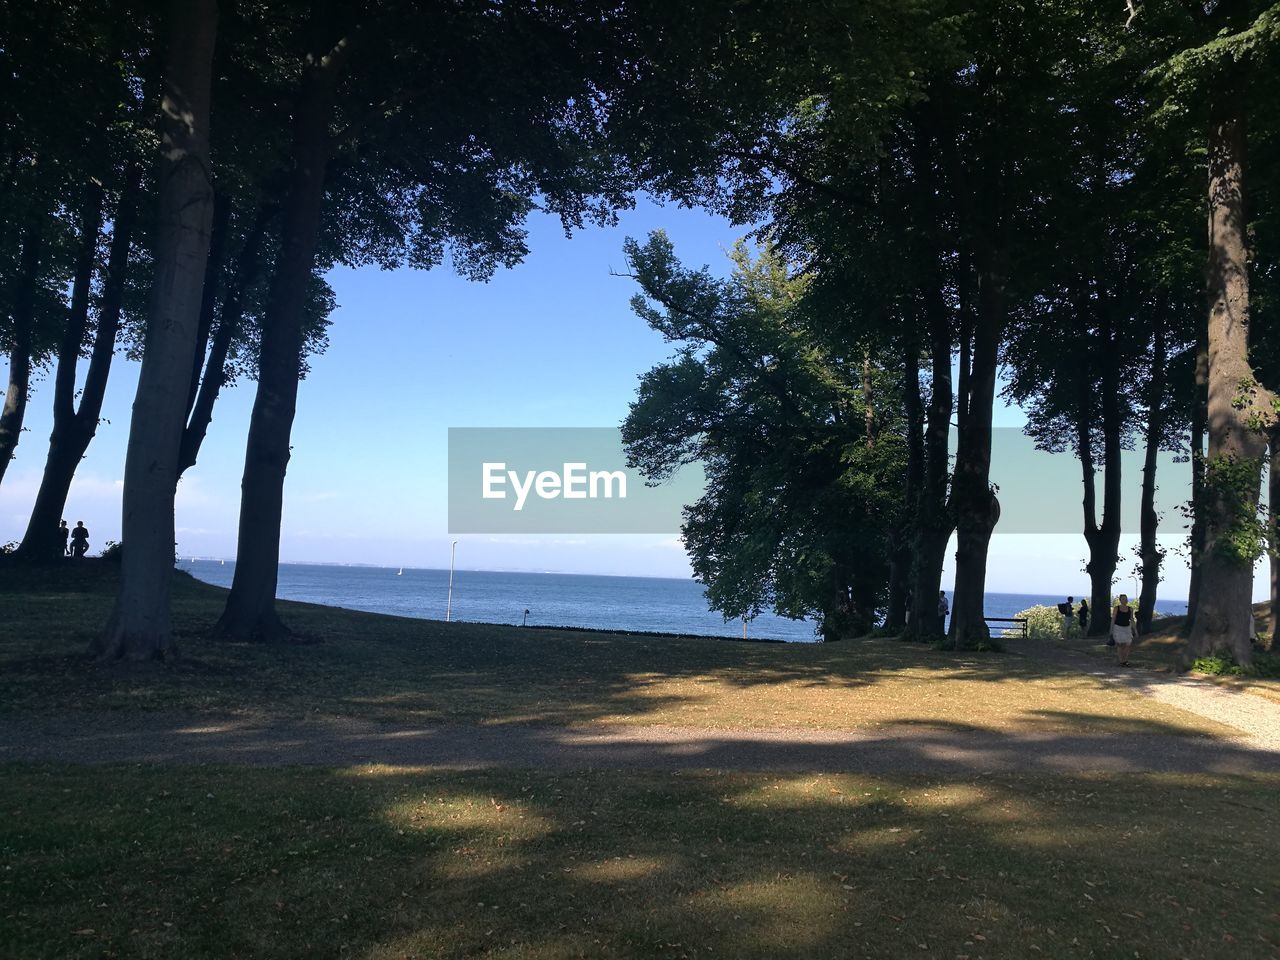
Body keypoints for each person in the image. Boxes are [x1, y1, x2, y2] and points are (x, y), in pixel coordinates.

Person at [1111, 593, 1137, 666]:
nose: (1125, 600)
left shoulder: (1130, 609)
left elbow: (1132, 620)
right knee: (1120, 645)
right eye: (1123, 599)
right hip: (1118, 627)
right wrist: (1111, 630)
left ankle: (1125, 660)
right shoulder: (1117, 608)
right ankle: (1121, 661)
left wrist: (1135, 630)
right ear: (1120, 600)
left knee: (1128, 644)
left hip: (1127, 628)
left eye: (1126, 599)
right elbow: (1113, 619)